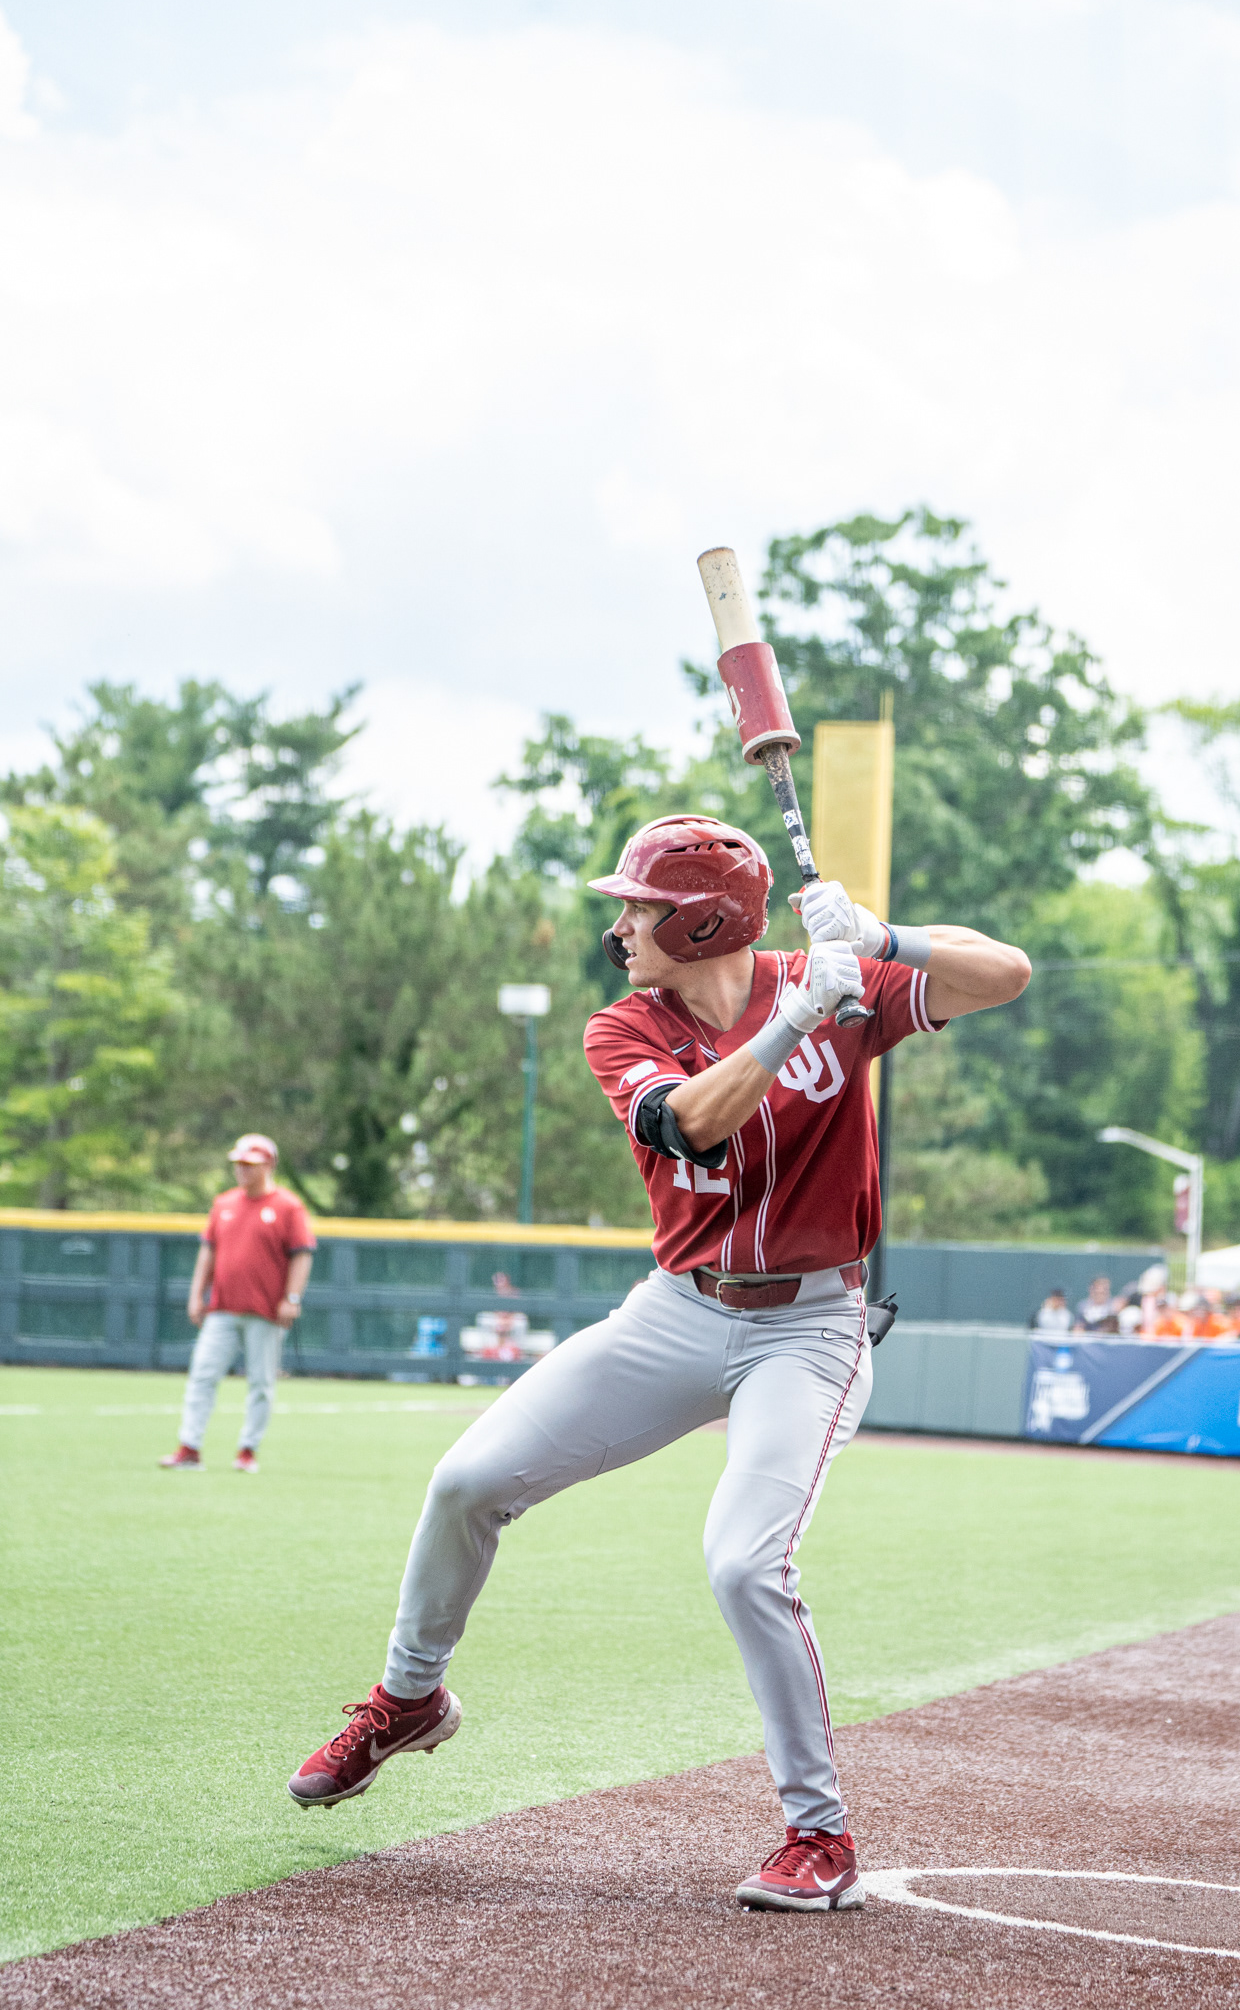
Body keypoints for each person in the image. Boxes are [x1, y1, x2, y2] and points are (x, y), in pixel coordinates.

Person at [284, 815, 1030, 1913]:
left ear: (702, 917)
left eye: (638, 903)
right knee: (466, 1481)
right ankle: (409, 1697)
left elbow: (1007, 974)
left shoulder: (834, 977)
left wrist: (885, 935)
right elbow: (690, 1124)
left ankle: (818, 1834)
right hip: (678, 1310)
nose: (620, 921)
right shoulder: (624, 1023)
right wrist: (796, 1021)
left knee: (743, 1562)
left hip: (811, 1325)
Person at [159, 1134, 316, 1473]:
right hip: (222, 1308)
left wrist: (291, 1298)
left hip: (266, 1312)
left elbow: (301, 1256)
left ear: (269, 1165)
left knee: (261, 1382)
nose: (242, 1170)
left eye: (250, 1164)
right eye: (239, 1164)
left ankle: (247, 1451)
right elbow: (208, 1252)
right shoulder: (224, 1204)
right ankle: (189, 1447)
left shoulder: (288, 1206)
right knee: (202, 1375)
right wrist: (195, 1293)